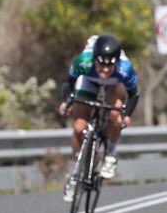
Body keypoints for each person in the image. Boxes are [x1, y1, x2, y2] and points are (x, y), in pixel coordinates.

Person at [58, 34, 139, 201]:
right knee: (79, 128)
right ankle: (75, 171)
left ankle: (110, 155)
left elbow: (134, 94)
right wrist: (67, 102)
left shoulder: (124, 68)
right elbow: (68, 82)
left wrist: (127, 115)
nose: (105, 70)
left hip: (114, 85)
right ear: (94, 59)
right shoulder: (83, 61)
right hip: (88, 81)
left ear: (116, 63)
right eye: (101, 64)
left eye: (110, 66)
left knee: (115, 115)